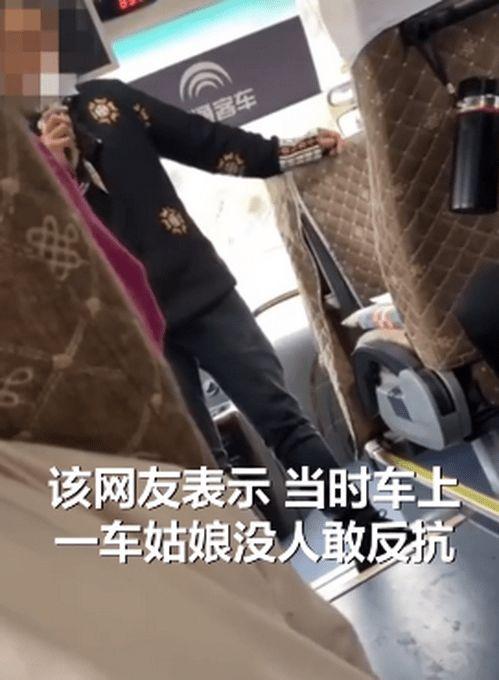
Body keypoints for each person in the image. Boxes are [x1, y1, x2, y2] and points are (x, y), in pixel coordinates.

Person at [34, 80, 414, 562]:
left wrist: (291, 151)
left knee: (282, 418)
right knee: (197, 464)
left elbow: (206, 142)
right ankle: (258, 579)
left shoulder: (105, 101)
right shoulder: (18, 160)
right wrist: (50, 168)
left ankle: (363, 531)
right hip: (126, 323)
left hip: (199, 288)